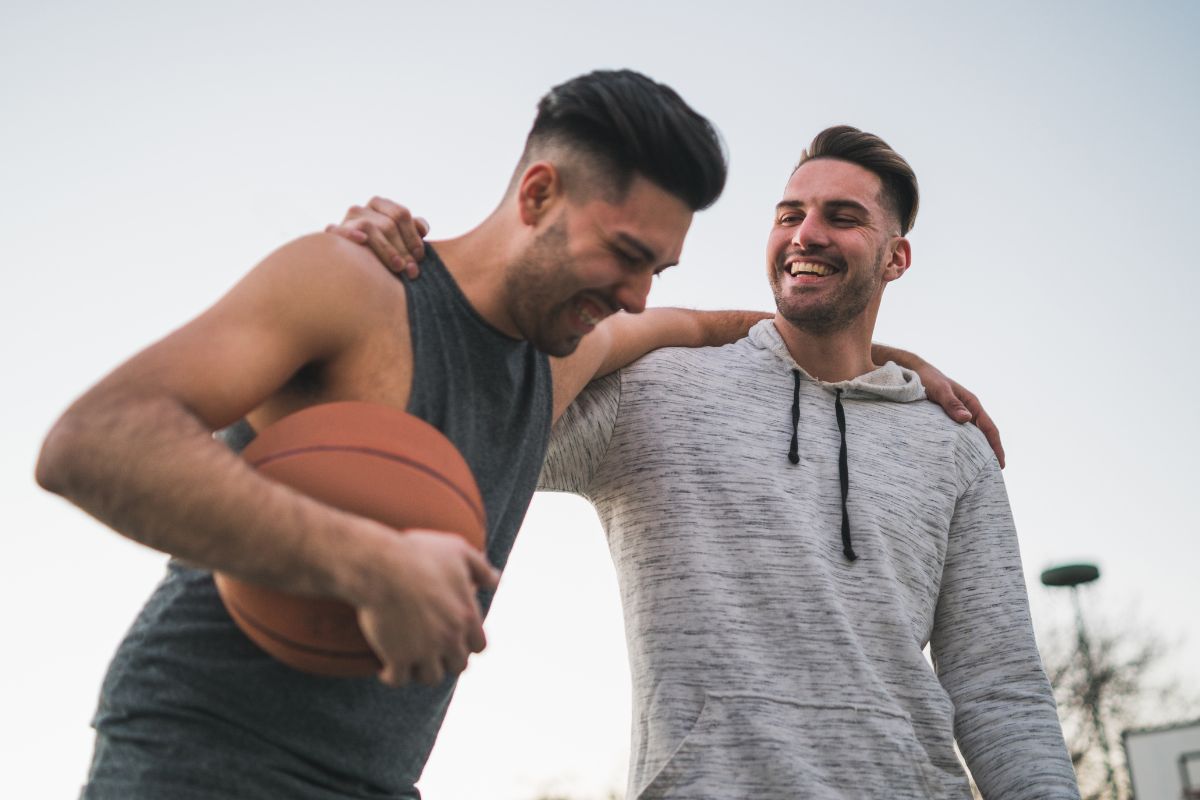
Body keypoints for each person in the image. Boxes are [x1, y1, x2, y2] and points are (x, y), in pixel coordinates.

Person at [36, 69, 754, 800]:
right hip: (198, 756)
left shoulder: (562, 359)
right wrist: (372, 564)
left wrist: (835, 343)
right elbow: (93, 440)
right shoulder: (353, 284)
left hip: (377, 783)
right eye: (628, 255)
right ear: (538, 195)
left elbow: (700, 327)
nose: (636, 297)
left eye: (657, 270)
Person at [334, 126, 1074, 798]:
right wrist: (390, 283)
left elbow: (998, 687)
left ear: (896, 257)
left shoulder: (952, 442)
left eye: (843, 217)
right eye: (790, 214)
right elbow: (465, 411)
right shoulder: (655, 388)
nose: (806, 234)